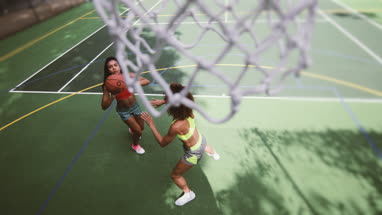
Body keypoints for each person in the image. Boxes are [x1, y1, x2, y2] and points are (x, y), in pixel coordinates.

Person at [140, 83, 220, 206]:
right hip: (200, 139)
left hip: (193, 153)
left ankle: (188, 193)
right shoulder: (189, 110)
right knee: (205, 146)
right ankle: (213, 153)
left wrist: (151, 124)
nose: (165, 97)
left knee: (176, 175)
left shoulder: (176, 126)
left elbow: (162, 143)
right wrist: (163, 101)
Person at [101, 56, 150, 154]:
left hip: (135, 106)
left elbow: (146, 81)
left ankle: (133, 129)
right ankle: (135, 145)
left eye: (115, 65)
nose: (114, 68)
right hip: (124, 111)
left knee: (141, 128)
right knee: (139, 132)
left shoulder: (128, 76)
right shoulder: (108, 85)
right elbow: (104, 106)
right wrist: (112, 97)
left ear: (119, 66)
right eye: (110, 67)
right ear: (108, 70)